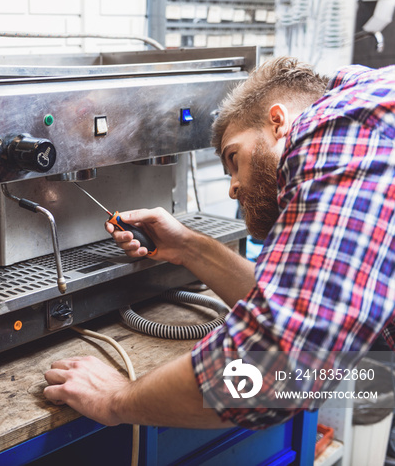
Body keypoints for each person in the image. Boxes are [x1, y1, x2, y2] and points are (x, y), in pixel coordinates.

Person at [43, 56, 395, 430]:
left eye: (234, 157)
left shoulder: (340, 127)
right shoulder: (372, 110)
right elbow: (309, 306)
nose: (233, 189)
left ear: (278, 122)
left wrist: (115, 399)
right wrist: (189, 247)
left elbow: (280, 359)